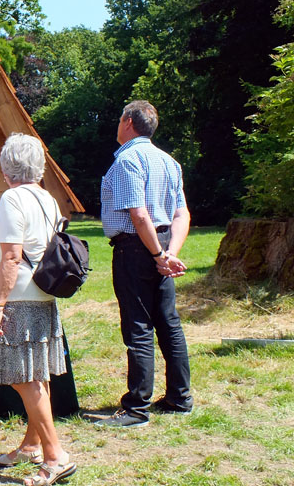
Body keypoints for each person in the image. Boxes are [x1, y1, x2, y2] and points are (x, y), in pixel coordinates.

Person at [0, 133, 76, 486]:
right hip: (42, 296)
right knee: (37, 376)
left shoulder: (11, 199)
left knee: (24, 378)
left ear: (7, 168)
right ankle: (31, 445)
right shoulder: (48, 199)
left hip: (17, 299)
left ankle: (55, 456)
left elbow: (11, 256)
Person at [97, 100, 193, 428]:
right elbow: (181, 213)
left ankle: (136, 408)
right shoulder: (169, 162)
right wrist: (169, 253)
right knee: (168, 322)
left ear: (127, 121)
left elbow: (138, 215)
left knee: (138, 325)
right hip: (162, 243)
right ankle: (180, 398)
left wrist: (157, 255)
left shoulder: (128, 159)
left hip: (137, 249)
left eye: (118, 117)